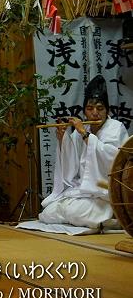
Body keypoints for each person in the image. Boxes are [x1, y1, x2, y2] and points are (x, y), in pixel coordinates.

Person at [22, 76, 128, 233]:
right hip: (82, 190)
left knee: (76, 212)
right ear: (84, 111)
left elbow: (113, 158)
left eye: (100, 108)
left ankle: (111, 217)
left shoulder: (115, 128)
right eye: (90, 109)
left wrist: (86, 135)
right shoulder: (81, 132)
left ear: (108, 110)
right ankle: (96, 220)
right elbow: (71, 165)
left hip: (104, 192)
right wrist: (63, 140)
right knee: (48, 212)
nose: (95, 113)